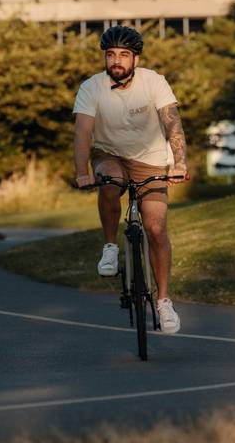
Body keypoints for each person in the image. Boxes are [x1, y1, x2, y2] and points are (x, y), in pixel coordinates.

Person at [73, 25, 188, 334]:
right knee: (108, 181)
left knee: (155, 226)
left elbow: (172, 123)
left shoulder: (154, 82)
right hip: (109, 154)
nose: (116, 61)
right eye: (111, 55)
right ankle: (110, 246)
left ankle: (163, 301)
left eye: (124, 55)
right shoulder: (91, 88)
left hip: (149, 158)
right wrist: (82, 171)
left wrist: (179, 162)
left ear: (136, 58)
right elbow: (83, 131)